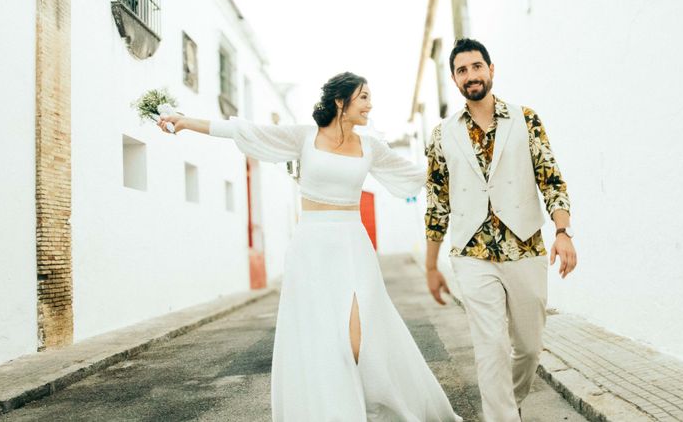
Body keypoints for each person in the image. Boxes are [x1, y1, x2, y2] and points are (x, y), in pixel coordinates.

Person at [159, 72, 461, 422]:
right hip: (312, 248)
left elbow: (416, 174)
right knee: (321, 337)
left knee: (361, 337)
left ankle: (381, 404)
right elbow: (247, 131)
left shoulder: (370, 146)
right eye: (363, 97)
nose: (370, 104)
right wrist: (186, 122)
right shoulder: (306, 136)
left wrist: (460, 165)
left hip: (353, 244)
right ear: (340, 102)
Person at [424, 39, 578, 422]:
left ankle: (510, 405)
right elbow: (437, 203)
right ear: (455, 79)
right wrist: (431, 265)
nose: (471, 75)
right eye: (462, 70)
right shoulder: (443, 134)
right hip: (471, 254)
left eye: (476, 67)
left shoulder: (526, 119)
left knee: (528, 348)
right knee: (490, 348)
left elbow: (551, 178)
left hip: (524, 247)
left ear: (491, 70)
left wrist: (562, 232)